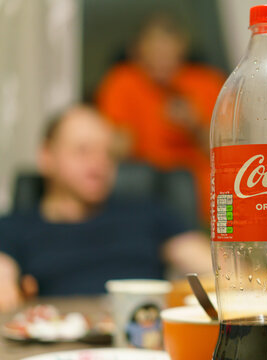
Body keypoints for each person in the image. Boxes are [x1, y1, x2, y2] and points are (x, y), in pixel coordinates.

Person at [0, 105, 212, 312]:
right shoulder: (13, 228)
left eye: (108, 153)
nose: (99, 162)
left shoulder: (148, 214)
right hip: (55, 341)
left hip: (141, 336)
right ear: (46, 156)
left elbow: (216, 272)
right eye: (83, 150)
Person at [97, 14, 225, 222]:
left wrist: (195, 125)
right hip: (143, 179)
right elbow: (117, 146)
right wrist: (118, 141)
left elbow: (226, 154)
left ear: (181, 48)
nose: (161, 60)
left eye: (167, 53)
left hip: (197, 186)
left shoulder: (207, 83)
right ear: (138, 51)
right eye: (154, 52)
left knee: (185, 182)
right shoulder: (123, 82)